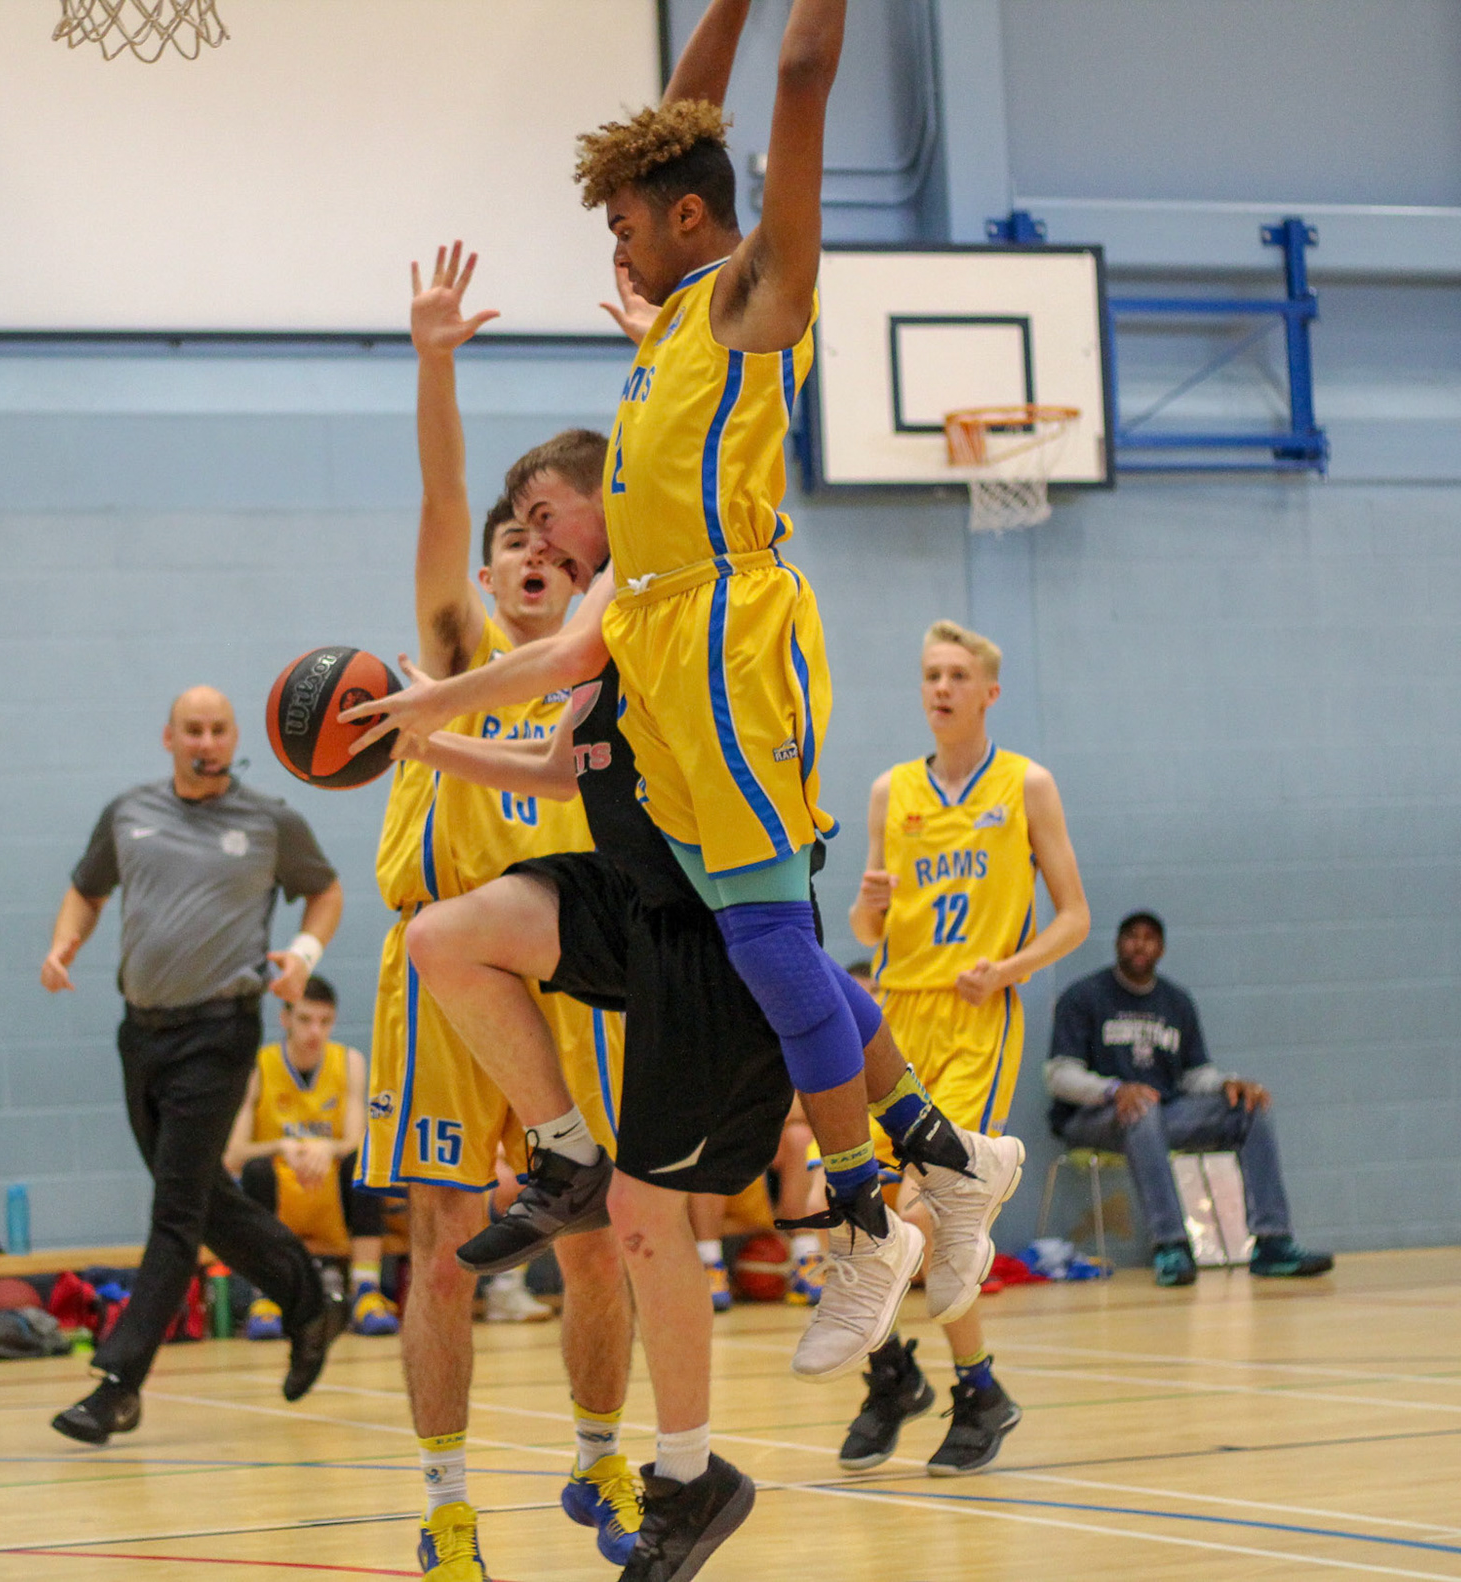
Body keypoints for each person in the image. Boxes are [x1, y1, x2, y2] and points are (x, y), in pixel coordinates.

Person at [350, 0, 975, 1396]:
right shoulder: (668, 327)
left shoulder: (753, 301)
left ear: (692, 219)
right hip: (675, 650)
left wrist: (783, 24)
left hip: (735, 634)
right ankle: (938, 1156)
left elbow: (799, 78)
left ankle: (871, 1211)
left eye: (629, 224)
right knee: (758, 942)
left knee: (770, 942)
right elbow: (677, 127)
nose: (613, 249)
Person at [354, 249, 636, 1581]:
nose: (526, 549)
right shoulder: (454, 659)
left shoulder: (601, 673)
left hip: (568, 966)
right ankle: (448, 1507)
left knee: (601, 1233)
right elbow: (443, 495)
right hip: (437, 969)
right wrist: (435, 366)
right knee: (442, 1247)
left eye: (545, 539)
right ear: (481, 576)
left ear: (577, 569)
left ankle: (602, 1459)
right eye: (508, 541)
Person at [40, 685, 347, 1443]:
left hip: (219, 1032)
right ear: (169, 738)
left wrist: (304, 955)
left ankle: (118, 1385)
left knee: (176, 1211)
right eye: (193, 730)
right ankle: (310, 1299)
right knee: (201, 1197)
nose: (206, 742)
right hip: (142, 1034)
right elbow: (86, 890)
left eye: (218, 730)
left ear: (234, 737)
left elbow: (325, 892)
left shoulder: (270, 821)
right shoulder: (129, 813)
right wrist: (63, 943)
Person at [841, 620, 1091, 1477]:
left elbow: (1074, 917)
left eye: (956, 675)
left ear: (989, 692)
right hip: (894, 1014)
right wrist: (868, 904)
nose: (941, 688)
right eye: (930, 675)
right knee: (853, 1211)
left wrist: (1010, 968)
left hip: (977, 1017)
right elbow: (865, 928)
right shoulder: (891, 790)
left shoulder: (1027, 785)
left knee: (931, 1212)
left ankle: (978, 1391)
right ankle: (893, 1376)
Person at [1046, 913, 1333, 1288]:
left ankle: (1272, 1243)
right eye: (1131, 936)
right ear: (1117, 944)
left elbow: (1194, 1076)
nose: (1140, 944)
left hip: (1163, 1115)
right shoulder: (1084, 996)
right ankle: (1171, 1246)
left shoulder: (1176, 1002)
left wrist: (1228, 1083)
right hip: (1093, 1117)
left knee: (1249, 1110)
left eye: (1150, 938)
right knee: (1142, 1107)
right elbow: (1058, 1076)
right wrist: (1115, 1090)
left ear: (1161, 949)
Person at [220, 974, 399, 1339]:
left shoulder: (348, 1062)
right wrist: (282, 1147)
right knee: (255, 1170)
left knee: (363, 1163)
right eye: (305, 1019)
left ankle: (366, 1291)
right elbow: (233, 1154)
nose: (315, 1031)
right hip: (281, 1195)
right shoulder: (259, 1066)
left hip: (331, 1197)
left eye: (324, 1021)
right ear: (285, 1018)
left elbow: (355, 1138)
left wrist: (326, 1147)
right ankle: (265, 1295)